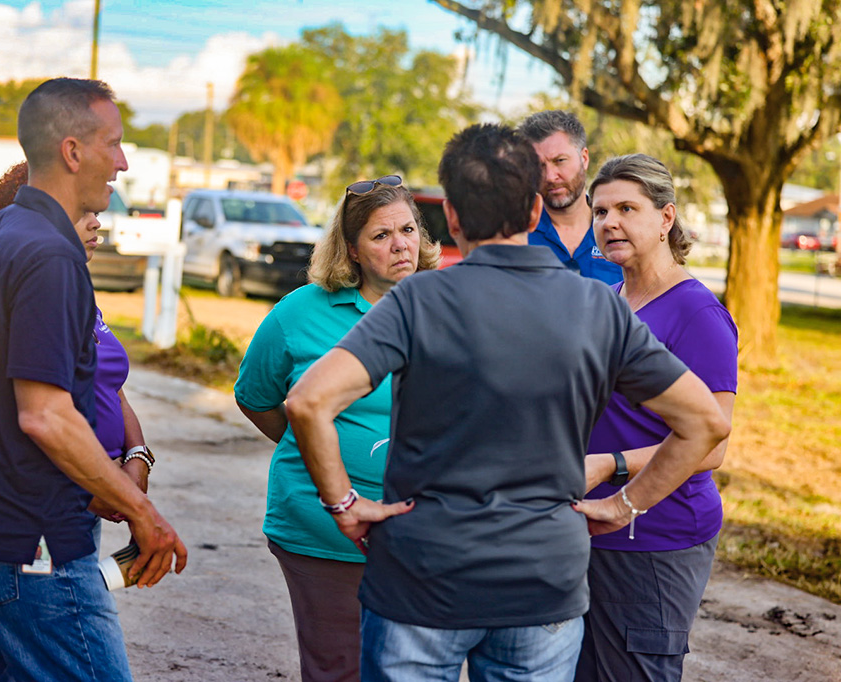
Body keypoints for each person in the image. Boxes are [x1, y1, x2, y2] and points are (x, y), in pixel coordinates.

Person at [284, 123, 731, 682]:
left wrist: (344, 505)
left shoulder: (418, 300)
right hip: (543, 587)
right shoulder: (598, 306)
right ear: (533, 211)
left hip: (423, 580)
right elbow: (705, 423)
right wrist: (624, 507)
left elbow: (306, 402)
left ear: (449, 217)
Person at [0, 78, 187, 682]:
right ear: (73, 152)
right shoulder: (51, 255)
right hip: (33, 546)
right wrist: (142, 513)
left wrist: (136, 458)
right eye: (114, 144)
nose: (123, 163)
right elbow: (44, 414)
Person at [234, 175, 441, 682]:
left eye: (408, 230)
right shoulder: (300, 312)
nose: (400, 245)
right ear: (350, 249)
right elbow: (255, 397)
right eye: (380, 235)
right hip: (322, 529)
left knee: (406, 667)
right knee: (339, 669)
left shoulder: (444, 306)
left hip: (421, 529)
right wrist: (315, 447)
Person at [576, 154, 738, 682]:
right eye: (600, 211)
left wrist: (608, 466)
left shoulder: (698, 314)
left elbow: (712, 446)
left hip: (657, 536)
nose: (610, 222)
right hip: (592, 527)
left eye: (627, 207)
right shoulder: (609, 299)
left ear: (666, 218)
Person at [0, 161, 153, 533]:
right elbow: (29, 418)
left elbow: (112, 388)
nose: (96, 222)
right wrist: (96, 490)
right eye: (83, 213)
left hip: (94, 494)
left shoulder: (76, 290)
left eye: (94, 212)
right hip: (47, 506)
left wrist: (138, 457)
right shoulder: (31, 294)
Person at [519, 110, 623, 284]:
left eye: (560, 161)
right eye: (539, 166)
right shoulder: (516, 234)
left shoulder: (619, 229)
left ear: (584, 158)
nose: (550, 176)